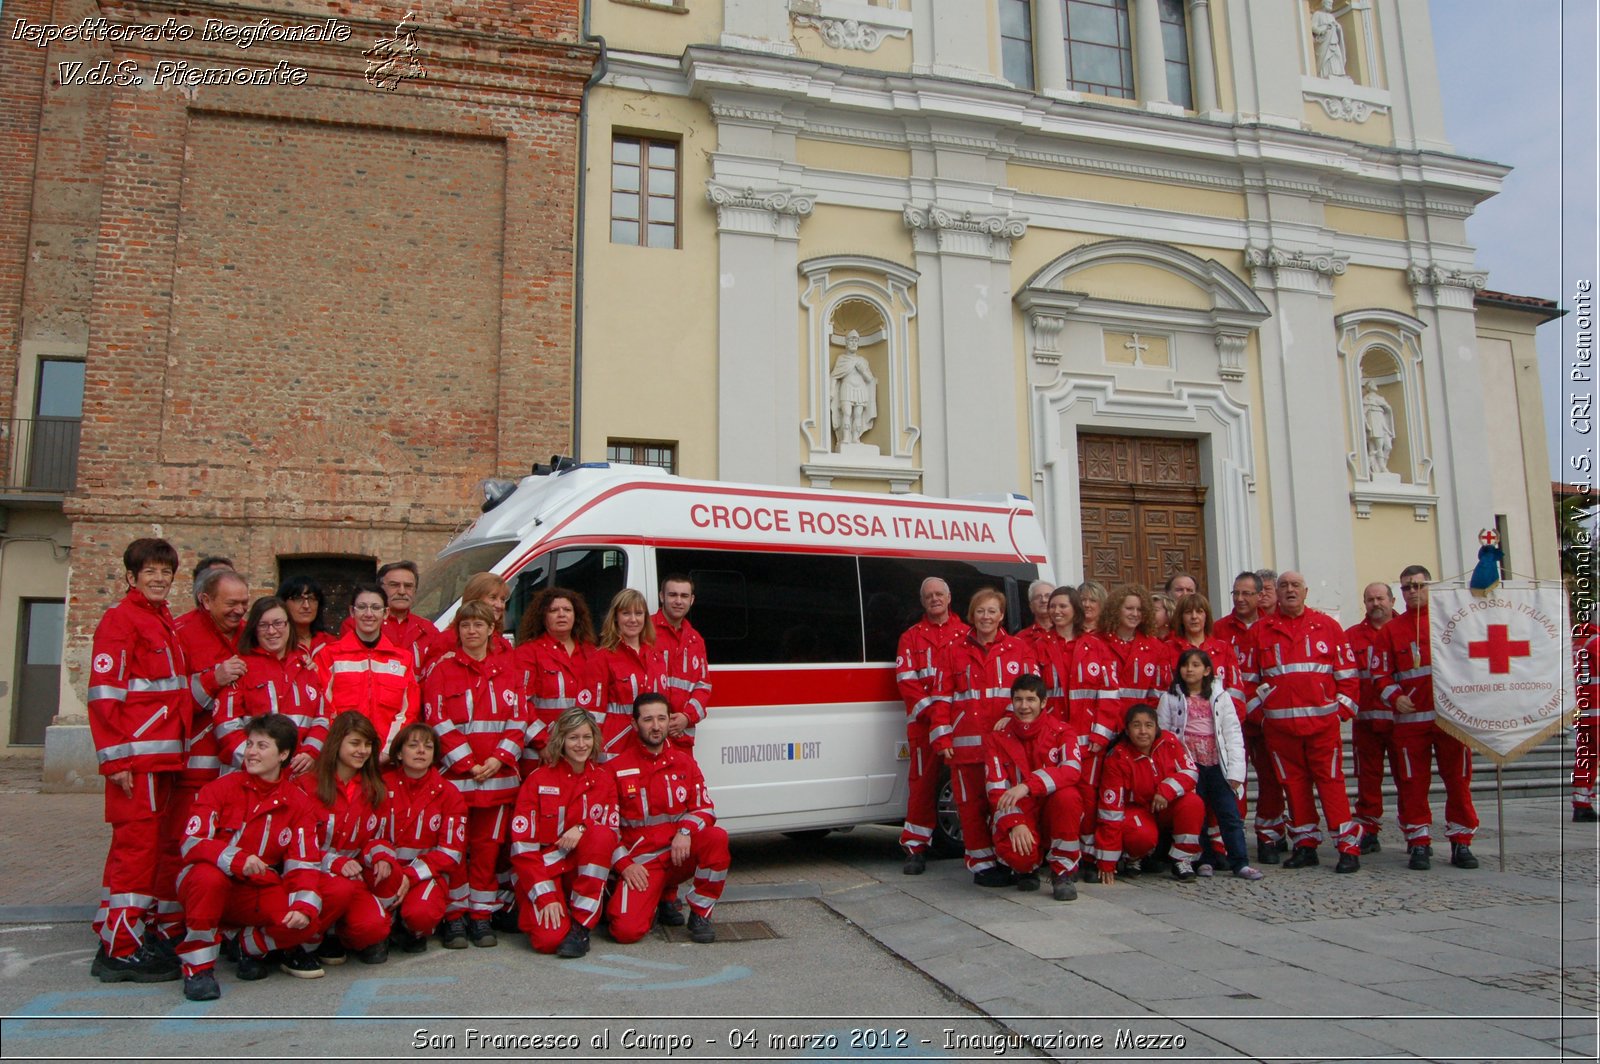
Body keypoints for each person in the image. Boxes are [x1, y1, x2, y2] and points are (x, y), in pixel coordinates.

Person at [87, 538, 187, 982]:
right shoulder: (120, 621)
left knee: (141, 852)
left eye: (166, 571)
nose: (160, 578)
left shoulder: (160, 621)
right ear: (131, 577)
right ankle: (120, 950)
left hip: (159, 760)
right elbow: (104, 696)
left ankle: (117, 930)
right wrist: (116, 761)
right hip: (137, 762)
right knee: (136, 852)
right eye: (150, 571)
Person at [175, 713, 327, 1000]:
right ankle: (198, 968)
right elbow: (191, 843)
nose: (251, 752)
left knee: (308, 923)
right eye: (250, 744)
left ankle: (244, 944)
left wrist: (303, 907)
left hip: (255, 889)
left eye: (261, 746)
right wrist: (235, 858)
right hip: (207, 885)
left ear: (283, 754)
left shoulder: (298, 803)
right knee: (208, 878)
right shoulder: (219, 788)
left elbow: (303, 863)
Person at [1242, 571, 1361, 872]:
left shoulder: (1328, 627)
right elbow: (1247, 683)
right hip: (1281, 731)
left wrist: (1340, 712)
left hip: (1322, 728)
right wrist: (1262, 716)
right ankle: (1305, 844)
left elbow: (1348, 677)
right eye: (1284, 586)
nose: (1290, 590)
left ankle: (1347, 845)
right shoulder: (1260, 631)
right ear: (1275, 594)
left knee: (1331, 785)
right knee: (1293, 788)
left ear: (1306, 591)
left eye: (1295, 586)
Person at [424, 601, 526, 946]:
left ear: (490, 630)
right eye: (465, 625)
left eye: (478, 625)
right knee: (455, 848)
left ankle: (481, 917)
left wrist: (498, 759)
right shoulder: (442, 671)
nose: (471, 631)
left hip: (497, 781)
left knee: (486, 850)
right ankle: (455, 917)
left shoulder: (508, 670)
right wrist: (468, 763)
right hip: (457, 780)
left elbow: (518, 720)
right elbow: (437, 718)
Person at [161, 567, 251, 943]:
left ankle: (221, 922)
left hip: (237, 766)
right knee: (179, 845)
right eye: (231, 604)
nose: (239, 611)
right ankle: (169, 925)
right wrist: (214, 678)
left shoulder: (248, 634)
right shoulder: (180, 635)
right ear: (205, 600)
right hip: (194, 768)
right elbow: (168, 703)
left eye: (244, 603)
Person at [927, 588, 1038, 886]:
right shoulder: (953, 651)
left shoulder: (1019, 649)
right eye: (980, 611)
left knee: (1007, 805)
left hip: (1006, 747)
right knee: (970, 806)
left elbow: (1031, 694)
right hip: (966, 747)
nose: (986, 617)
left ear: (1001, 615)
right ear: (971, 615)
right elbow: (940, 699)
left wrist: (1011, 715)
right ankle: (982, 864)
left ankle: (1011, 860)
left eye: (992, 611)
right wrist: (943, 739)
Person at [1373, 565, 1479, 870]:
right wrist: (1395, 696)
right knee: (1412, 783)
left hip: (1450, 720)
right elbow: (1379, 674)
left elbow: (1471, 662)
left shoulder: (1451, 621)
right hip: (1411, 722)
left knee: (1458, 781)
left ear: (1429, 587)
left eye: (1418, 586)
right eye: (1407, 587)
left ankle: (1461, 841)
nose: (1413, 592)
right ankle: (1418, 841)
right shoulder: (1391, 630)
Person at [605, 692, 729, 944]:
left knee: (716, 838)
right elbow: (607, 828)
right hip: (643, 863)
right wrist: (624, 865)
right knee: (625, 932)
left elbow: (706, 810)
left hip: (677, 855)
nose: (656, 726)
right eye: (648, 719)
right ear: (634, 724)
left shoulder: (685, 763)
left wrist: (684, 832)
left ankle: (700, 912)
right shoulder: (615, 769)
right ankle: (654, 896)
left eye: (662, 718)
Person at [508, 707, 619, 958]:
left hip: (578, 870)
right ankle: (538, 906)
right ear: (561, 741)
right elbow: (522, 849)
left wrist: (583, 828)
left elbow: (611, 831)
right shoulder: (537, 780)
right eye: (573, 738)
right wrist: (545, 897)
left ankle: (581, 925)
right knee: (548, 942)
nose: (581, 744)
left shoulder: (604, 780)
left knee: (601, 835)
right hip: (542, 870)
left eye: (587, 737)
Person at [299, 712, 396, 964]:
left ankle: (337, 932)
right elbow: (295, 845)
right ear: (336, 743)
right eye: (355, 743)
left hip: (352, 877)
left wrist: (382, 855)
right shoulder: (307, 784)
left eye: (367, 745)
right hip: (312, 873)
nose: (362, 751)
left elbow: (379, 835)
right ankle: (304, 943)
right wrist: (334, 862)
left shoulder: (374, 787)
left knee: (374, 928)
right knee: (338, 890)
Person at [1156, 650, 1261, 880]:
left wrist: (1235, 771)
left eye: (1195, 665)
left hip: (1216, 762)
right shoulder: (1170, 698)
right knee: (1198, 813)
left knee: (1229, 813)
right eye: (1185, 665)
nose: (1189, 670)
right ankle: (1203, 859)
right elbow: (1164, 735)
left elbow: (1232, 733)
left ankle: (1240, 861)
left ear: (1207, 670)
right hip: (1189, 765)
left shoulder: (1220, 697)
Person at [893, 577, 970, 874]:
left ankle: (980, 847)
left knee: (967, 785)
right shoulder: (911, 637)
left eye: (939, 594)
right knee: (922, 786)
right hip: (924, 726)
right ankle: (915, 848)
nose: (934, 599)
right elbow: (907, 682)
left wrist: (952, 716)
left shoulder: (966, 634)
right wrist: (936, 713)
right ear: (922, 601)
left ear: (949, 598)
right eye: (929, 596)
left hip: (960, 726)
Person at [984, 675, 1084, 900]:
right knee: (1020, 856)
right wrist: (1015, 823)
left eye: (1030, 699)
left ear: (1044, 702)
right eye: (1018, 700)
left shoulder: (1062, 731)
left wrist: (1028, 786)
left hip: (1051, 806)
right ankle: (1027, 868)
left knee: (1068, 797)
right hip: (1019, 810)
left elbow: (1072, 770)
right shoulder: (997, 737)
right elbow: (996, 789)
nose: (1024, 706)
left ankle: (1063, 871)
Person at [1214, 570, 1285, 862]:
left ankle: (1269, 834)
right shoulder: (1219, 629)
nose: (1241, 599)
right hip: (1229, 720)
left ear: (1260, 596)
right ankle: (1232, 837)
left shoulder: (1271, 627)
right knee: (1232, 778)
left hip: (1265, 717)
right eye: (1236, 593)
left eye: (1247, 593)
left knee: (1270, 778)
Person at [216, 597, 329, 776]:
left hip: (296, 774)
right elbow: (226, 725)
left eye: (278, 623)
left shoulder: (305, 667)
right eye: (263, 625)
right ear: (254, 629)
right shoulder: (240, 667)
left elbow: (322, 718)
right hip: (247, 776)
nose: (271, 631)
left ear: (289, 625)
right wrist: (257, 761)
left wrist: (310, 752)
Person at [380, 723, 468, 953]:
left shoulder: (448, 793)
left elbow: (451, 853)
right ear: (398, 753)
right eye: (413, 745)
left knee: (421, 916)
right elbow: (368, 837)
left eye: (428, 747)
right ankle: (385, 926)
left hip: (425, 874)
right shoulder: (381, 786)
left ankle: (411, 928)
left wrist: (410, 874)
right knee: (367, 928)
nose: (421, 751)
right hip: (383, 872)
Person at [1094, 705, 1205, 883]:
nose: (1143, 731)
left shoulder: (1168, 741)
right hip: (1137, 810)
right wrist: (1107, 861)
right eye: (1137, 725)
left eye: (1149, 725)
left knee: (1193, 803)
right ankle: (1133, 857)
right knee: (1141, 836)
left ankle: (1182, 859)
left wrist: (1166, 791)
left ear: (1157, 727)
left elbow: (1190, 772)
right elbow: (1110, 811)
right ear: (1127, 730)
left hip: (1166, 805)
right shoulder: (1117, 757)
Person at [318, 582, 419, 760]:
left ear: (386, 613)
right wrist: (344, 748)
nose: (368, 614)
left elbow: (408, 711)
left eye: (375, 607)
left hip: (386, 760)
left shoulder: (403, 659)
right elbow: (324, 707)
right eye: (362, 607)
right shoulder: (330, 655)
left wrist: (389, 751)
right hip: (342, 757)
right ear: (352, 612)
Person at [515, 587, 605, 771]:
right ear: (543, 616)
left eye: (567, 610)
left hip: (583, 750)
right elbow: (521, 704)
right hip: (544, 752)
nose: (561, 615)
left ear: (576, 615)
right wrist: (542, 742)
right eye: (554, 610)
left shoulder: (591, 652)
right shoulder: (528, 653)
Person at [1345, 581, 1396, 854]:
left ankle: (1416, 832)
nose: (1375, 604)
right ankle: (1368, 829)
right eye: (1370, 600)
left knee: (1410, 780)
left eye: (1380, 599)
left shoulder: (1406, 630)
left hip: (1401, 722)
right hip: (1366, 721)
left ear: (1392, 600)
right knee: (1367, 779)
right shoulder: (1352, 636)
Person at [597, 588, 666, 764]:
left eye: (639, 613)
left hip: (651, 744)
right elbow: (591, 715)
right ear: (615, 618)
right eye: (626, 613)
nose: (633, 619)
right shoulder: (602, 657)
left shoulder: (656, 656)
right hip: (616, 746)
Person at [652, 574, 712, 751]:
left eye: (684, 596)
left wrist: (687, 717)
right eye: (672, 595)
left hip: (681, 737)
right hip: (649, 734)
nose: (678, 601)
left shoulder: (695, 640)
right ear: (662, 596)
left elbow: (704, 686)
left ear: (692, 600)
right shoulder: (645, 631)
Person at [421, 572, 512, 673]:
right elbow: (427, 681)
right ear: (474, 599)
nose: (499, 605)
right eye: (493, 598)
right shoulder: (448, 640)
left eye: (502, 599)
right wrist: (439, 665)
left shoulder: (503, 644)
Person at [377, 561, 440, 673]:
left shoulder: (429, 630)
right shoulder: (365, 625)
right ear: (380, 589)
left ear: (415, 591)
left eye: (408, 586)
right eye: (394, 585)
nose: (402, 591)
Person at [277, 575, 334, 661]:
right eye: (298, 599)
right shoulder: (277, 643)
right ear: (283, 602)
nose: (306, 606)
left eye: (311, 598)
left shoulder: (330, 642)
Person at [1575, 625, 1600, 822]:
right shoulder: (1596, 643)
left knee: (1586, 759)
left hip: (1584, 710)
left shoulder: (1577, 643)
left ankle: (1581, 804)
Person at [1311, 0, 1348, 79]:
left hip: (1333, 41)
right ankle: (1325, 73)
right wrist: (1324, 29)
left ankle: (1338, 73)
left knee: (1337, 55)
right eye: (1329, 3)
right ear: (1323, 4)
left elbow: (1338, 28)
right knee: (1326, 58)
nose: (1331, 5)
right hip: (1324, 42)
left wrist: (1337, 26)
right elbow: (1313, 27)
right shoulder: (1317, 14)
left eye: (1331, 4)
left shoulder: (1332, 17)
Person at [1018, 580, 1055, 648]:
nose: (1043, 600)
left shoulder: (1067, 633)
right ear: (1031, 606)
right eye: (1038, 597)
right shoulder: (1021, 638)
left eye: (1048, 596)